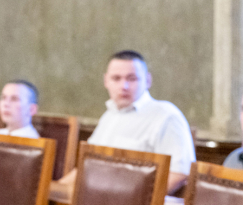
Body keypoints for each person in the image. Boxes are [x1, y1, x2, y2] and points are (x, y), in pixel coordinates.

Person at [68, 50, 195, 194]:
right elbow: (86, 166)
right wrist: (57, 187)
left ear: (148, 80)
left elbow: (179, 173)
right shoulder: (109, 116)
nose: (124, 86)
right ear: (106, 81)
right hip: (96, 201)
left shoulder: (166, 116)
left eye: (132, 78)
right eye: (116, 78)